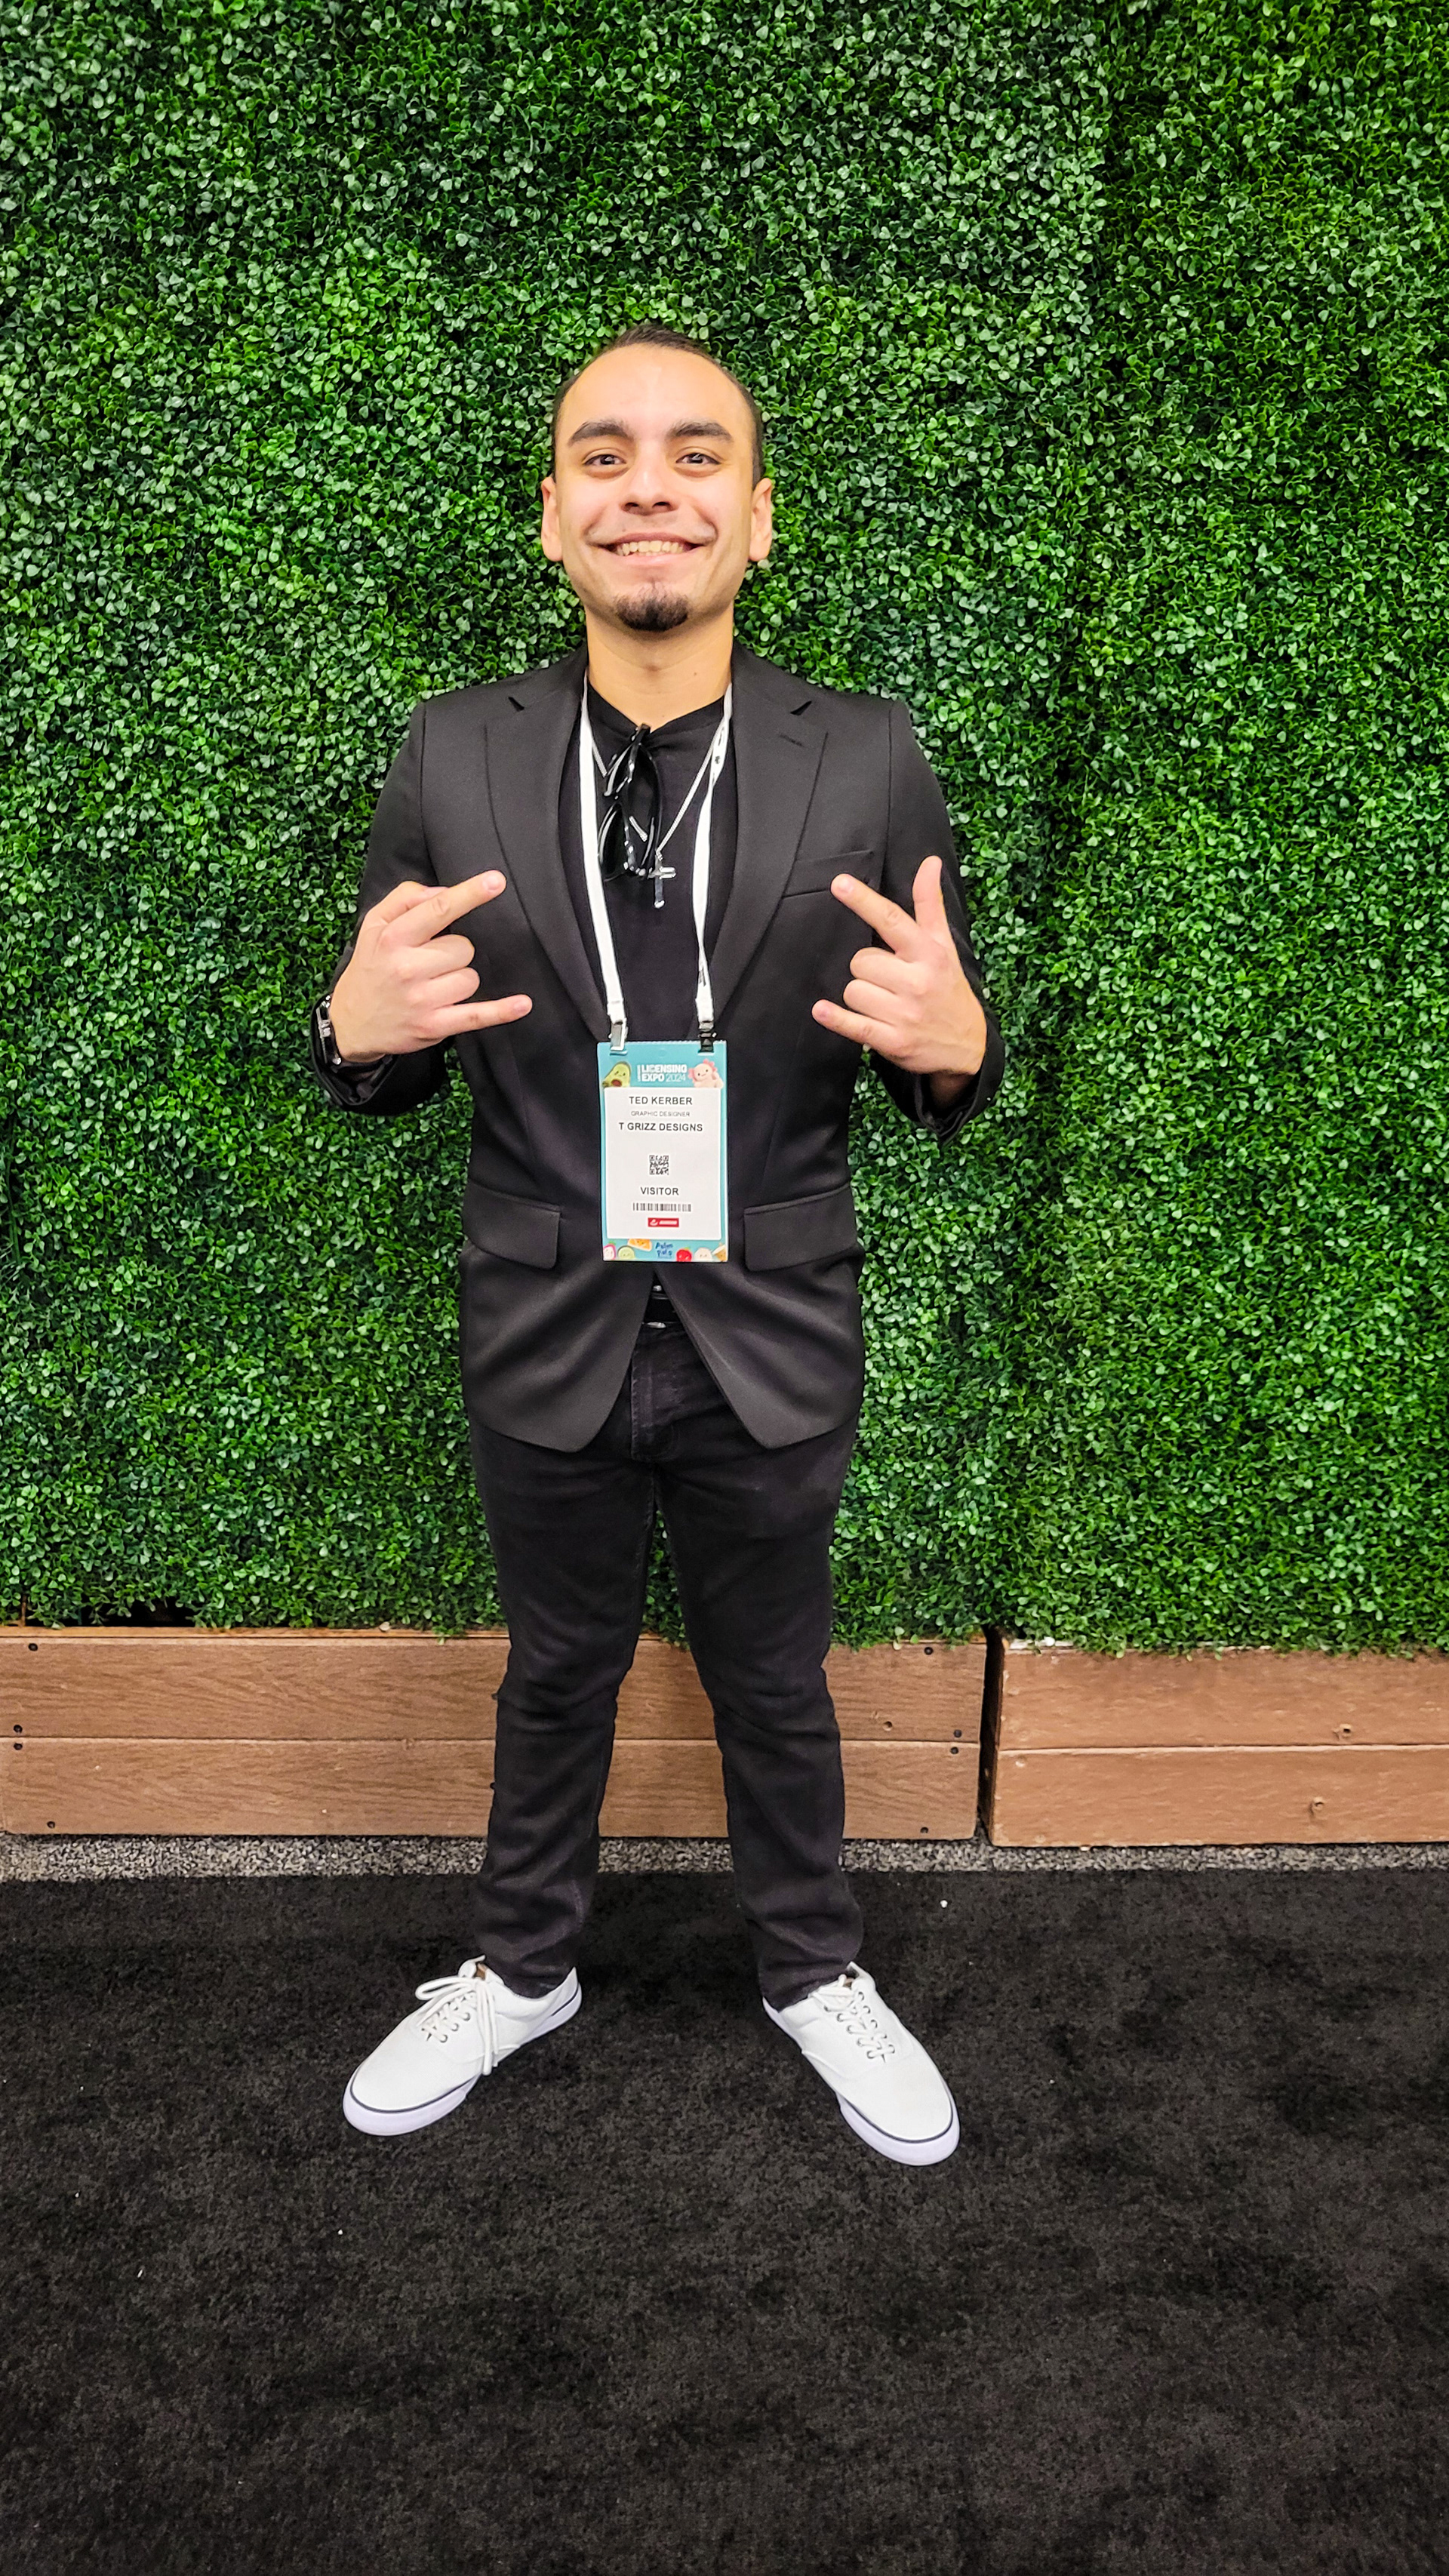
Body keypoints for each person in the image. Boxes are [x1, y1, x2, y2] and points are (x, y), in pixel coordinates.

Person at [310, 324, 1004, 2165]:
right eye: (603, 455)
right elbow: (390, 1041)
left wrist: (965, 1054)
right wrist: (345, 1036)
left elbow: (933, 1029)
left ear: (757, 517)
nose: (649, 488)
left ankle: (814, 1969)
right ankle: (521, 1964)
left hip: (775, 1317)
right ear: (552, 513)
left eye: (699, 455)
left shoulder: (869, 755)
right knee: (555, 1671)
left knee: (775, 1678)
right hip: (542, 1311)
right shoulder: (451, 750)